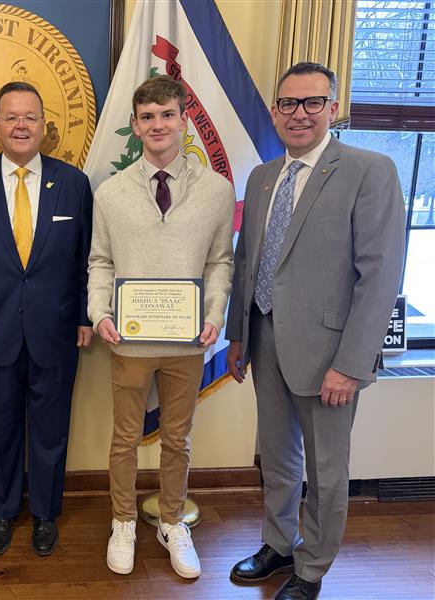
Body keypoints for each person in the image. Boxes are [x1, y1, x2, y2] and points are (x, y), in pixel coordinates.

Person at [225, 62, 405, 600]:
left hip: (330, 354)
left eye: (312, 103)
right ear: (275, 111)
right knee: (276, 455)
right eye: (288, 104)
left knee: (327, 471)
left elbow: (379, 275)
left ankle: (311, 568)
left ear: (333, 109)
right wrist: (238, 335)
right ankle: (279, 543)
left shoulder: (370, 171)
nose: (298, 114)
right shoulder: (261, 178)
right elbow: (247, 263)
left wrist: (351, 364)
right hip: (265, 339)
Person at [87, 75, 234, 578]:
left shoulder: (216, 190)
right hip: (128, 341)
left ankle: (172, 519)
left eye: (167, 114)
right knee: (125, 438)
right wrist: (100, 312)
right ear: (134, 125)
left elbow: (220, 263)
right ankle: (124, 520)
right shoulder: (111, 192)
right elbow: (100, 261)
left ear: (183, 119)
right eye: (147, 117)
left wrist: (214, 315)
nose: (157, 125)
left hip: (188, 343)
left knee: (178, 439)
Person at [0, 81, 93, 557]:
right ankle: (4, 510)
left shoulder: (72, 182)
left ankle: (46, 514)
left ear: (43, 125)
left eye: (29, 117)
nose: (20, 125)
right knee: (1, 426)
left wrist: (85, 317)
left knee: (51, 429)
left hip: (56, 327)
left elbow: (84, 260)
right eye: (11, 117)